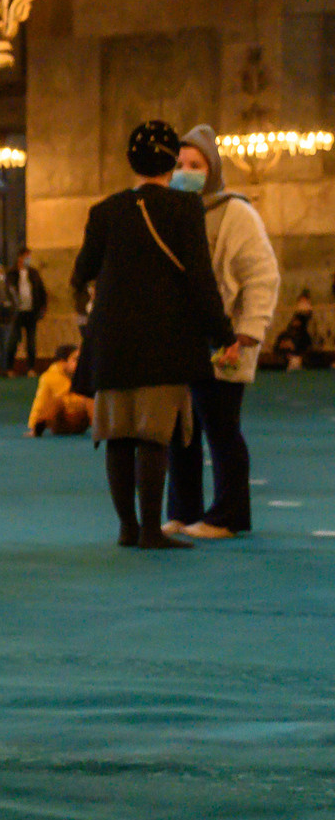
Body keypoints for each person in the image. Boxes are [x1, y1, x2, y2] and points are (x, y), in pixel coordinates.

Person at [72, 119, 233, 550]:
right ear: (171, 162)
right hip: (165, 340)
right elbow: (200, 279)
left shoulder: (104, 211)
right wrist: (223, 334)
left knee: (118, 434)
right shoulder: (185, 208)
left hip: (111, 341)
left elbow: (81, 272)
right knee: (153, 435)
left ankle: (127, 528)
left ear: (132, 161)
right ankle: (149, 530)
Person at [163, 125, 280, 540]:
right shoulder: (171, 211)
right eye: (179, 164)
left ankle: (228, 516)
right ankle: (184, 511)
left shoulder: (237, 213)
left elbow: (262, 276)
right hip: (179, 340)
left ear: (212, 169)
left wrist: (247, 333)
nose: (185, 172)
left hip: (224, 340)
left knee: (221, 429)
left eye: (195, 165)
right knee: (180, 432)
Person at [28, 345, 92, 436]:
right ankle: (38, 429)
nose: (81, 364)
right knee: (57, 402)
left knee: (90, 401)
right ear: (62, 362)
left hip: (80, 420)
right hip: (60, 422)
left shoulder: (84, 375)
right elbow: (40, 402)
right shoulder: (48, 378)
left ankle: (103, 428)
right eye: (76, 360)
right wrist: (33, 425)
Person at [11, 247, 48, 367]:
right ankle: (9, 367)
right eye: (26, 256)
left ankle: (31, 367)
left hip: (31, 312)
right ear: (20, 257)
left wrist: (43, 308)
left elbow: (41, 291)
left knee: (31, 342)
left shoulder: (33, 273)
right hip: (17, 313)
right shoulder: (12, 273)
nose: (28, 259)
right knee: (13, 340)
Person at [272, 288, 316, 367]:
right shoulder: (287, 331)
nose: (303, 306)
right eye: (301, 303)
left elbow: (309, 348)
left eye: (305, 303)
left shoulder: (308, 331)